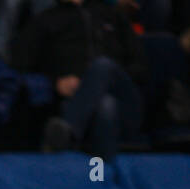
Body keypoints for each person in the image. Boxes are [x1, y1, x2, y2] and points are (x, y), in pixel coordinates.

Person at [11, 0, 149, 159]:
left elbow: (140, 67)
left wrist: (99, 83)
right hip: (75, 103)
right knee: (105, 105)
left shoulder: (112, 15)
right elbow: (19, 66)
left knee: (102, 67)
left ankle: (68, 131)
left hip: (124, 101)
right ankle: (101, 176)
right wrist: (55, 82)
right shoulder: (44, 20)